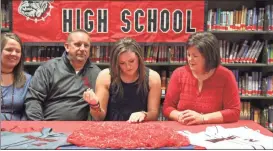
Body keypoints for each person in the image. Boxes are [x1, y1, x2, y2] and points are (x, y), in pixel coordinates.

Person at [163, 32, 240, 125]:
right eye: (188, 55)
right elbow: (167, 108)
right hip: (183, 128)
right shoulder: (178, 74)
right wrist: (180, 116)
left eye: (195, 56)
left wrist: (202, 118)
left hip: (212, 132)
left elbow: (234, 112)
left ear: (208, 57)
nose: (190, 59)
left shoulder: (226, 76)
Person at [24, 29, 101, 121]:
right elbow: (33, 100)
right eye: (77, 44)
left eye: (86, 45)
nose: (82, 49)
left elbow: (100, 108)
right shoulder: (48, 68)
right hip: (49, 128)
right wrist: (40, 128)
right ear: (67, 47)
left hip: (82, 129)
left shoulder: (97, 73)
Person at [83, 37, 161, 122]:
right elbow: (99, 117)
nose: (128, 67)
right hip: (111, 129)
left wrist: (144, 114)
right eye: (122, 63)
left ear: (139, 58)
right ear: (116, 63)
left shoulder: (153, 78)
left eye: (131, 61)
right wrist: (95, 105)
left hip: (139, 128)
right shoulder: (106, 76)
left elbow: (154, 114)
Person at [1, 33, 32, 120]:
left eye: (18, 51)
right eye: (9, 49)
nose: (14, 54)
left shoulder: (28, 80)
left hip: (18, 130)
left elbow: (29, 110)